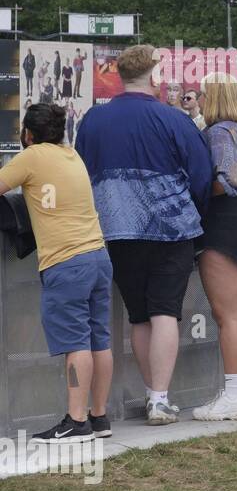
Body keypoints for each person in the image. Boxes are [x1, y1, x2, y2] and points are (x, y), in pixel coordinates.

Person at [74, 45, 212, 425]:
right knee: (165, 311)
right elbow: (202, 174)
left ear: (118, 75)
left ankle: (154, 395)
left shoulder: (93, 120)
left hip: (116, 229)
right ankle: (159, 399)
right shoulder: (174, 119)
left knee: (139, 315)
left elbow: (82, 173)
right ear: (154, 77)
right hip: (171, 228)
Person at [0, 104, 114, 443]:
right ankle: (99, 417)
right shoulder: (71, 155)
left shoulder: (32, 156)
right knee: (99, 340)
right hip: (98, 256)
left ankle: (75, 422)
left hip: (66, 263)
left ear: (28, 134)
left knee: (75, 343)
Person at [189, 73, 237, 420]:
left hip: (226, 221)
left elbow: (228, 177)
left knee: (228, 317)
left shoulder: (219, 132)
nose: (201, 100)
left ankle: (233, 395)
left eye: (204, 95)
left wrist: (202, 194)